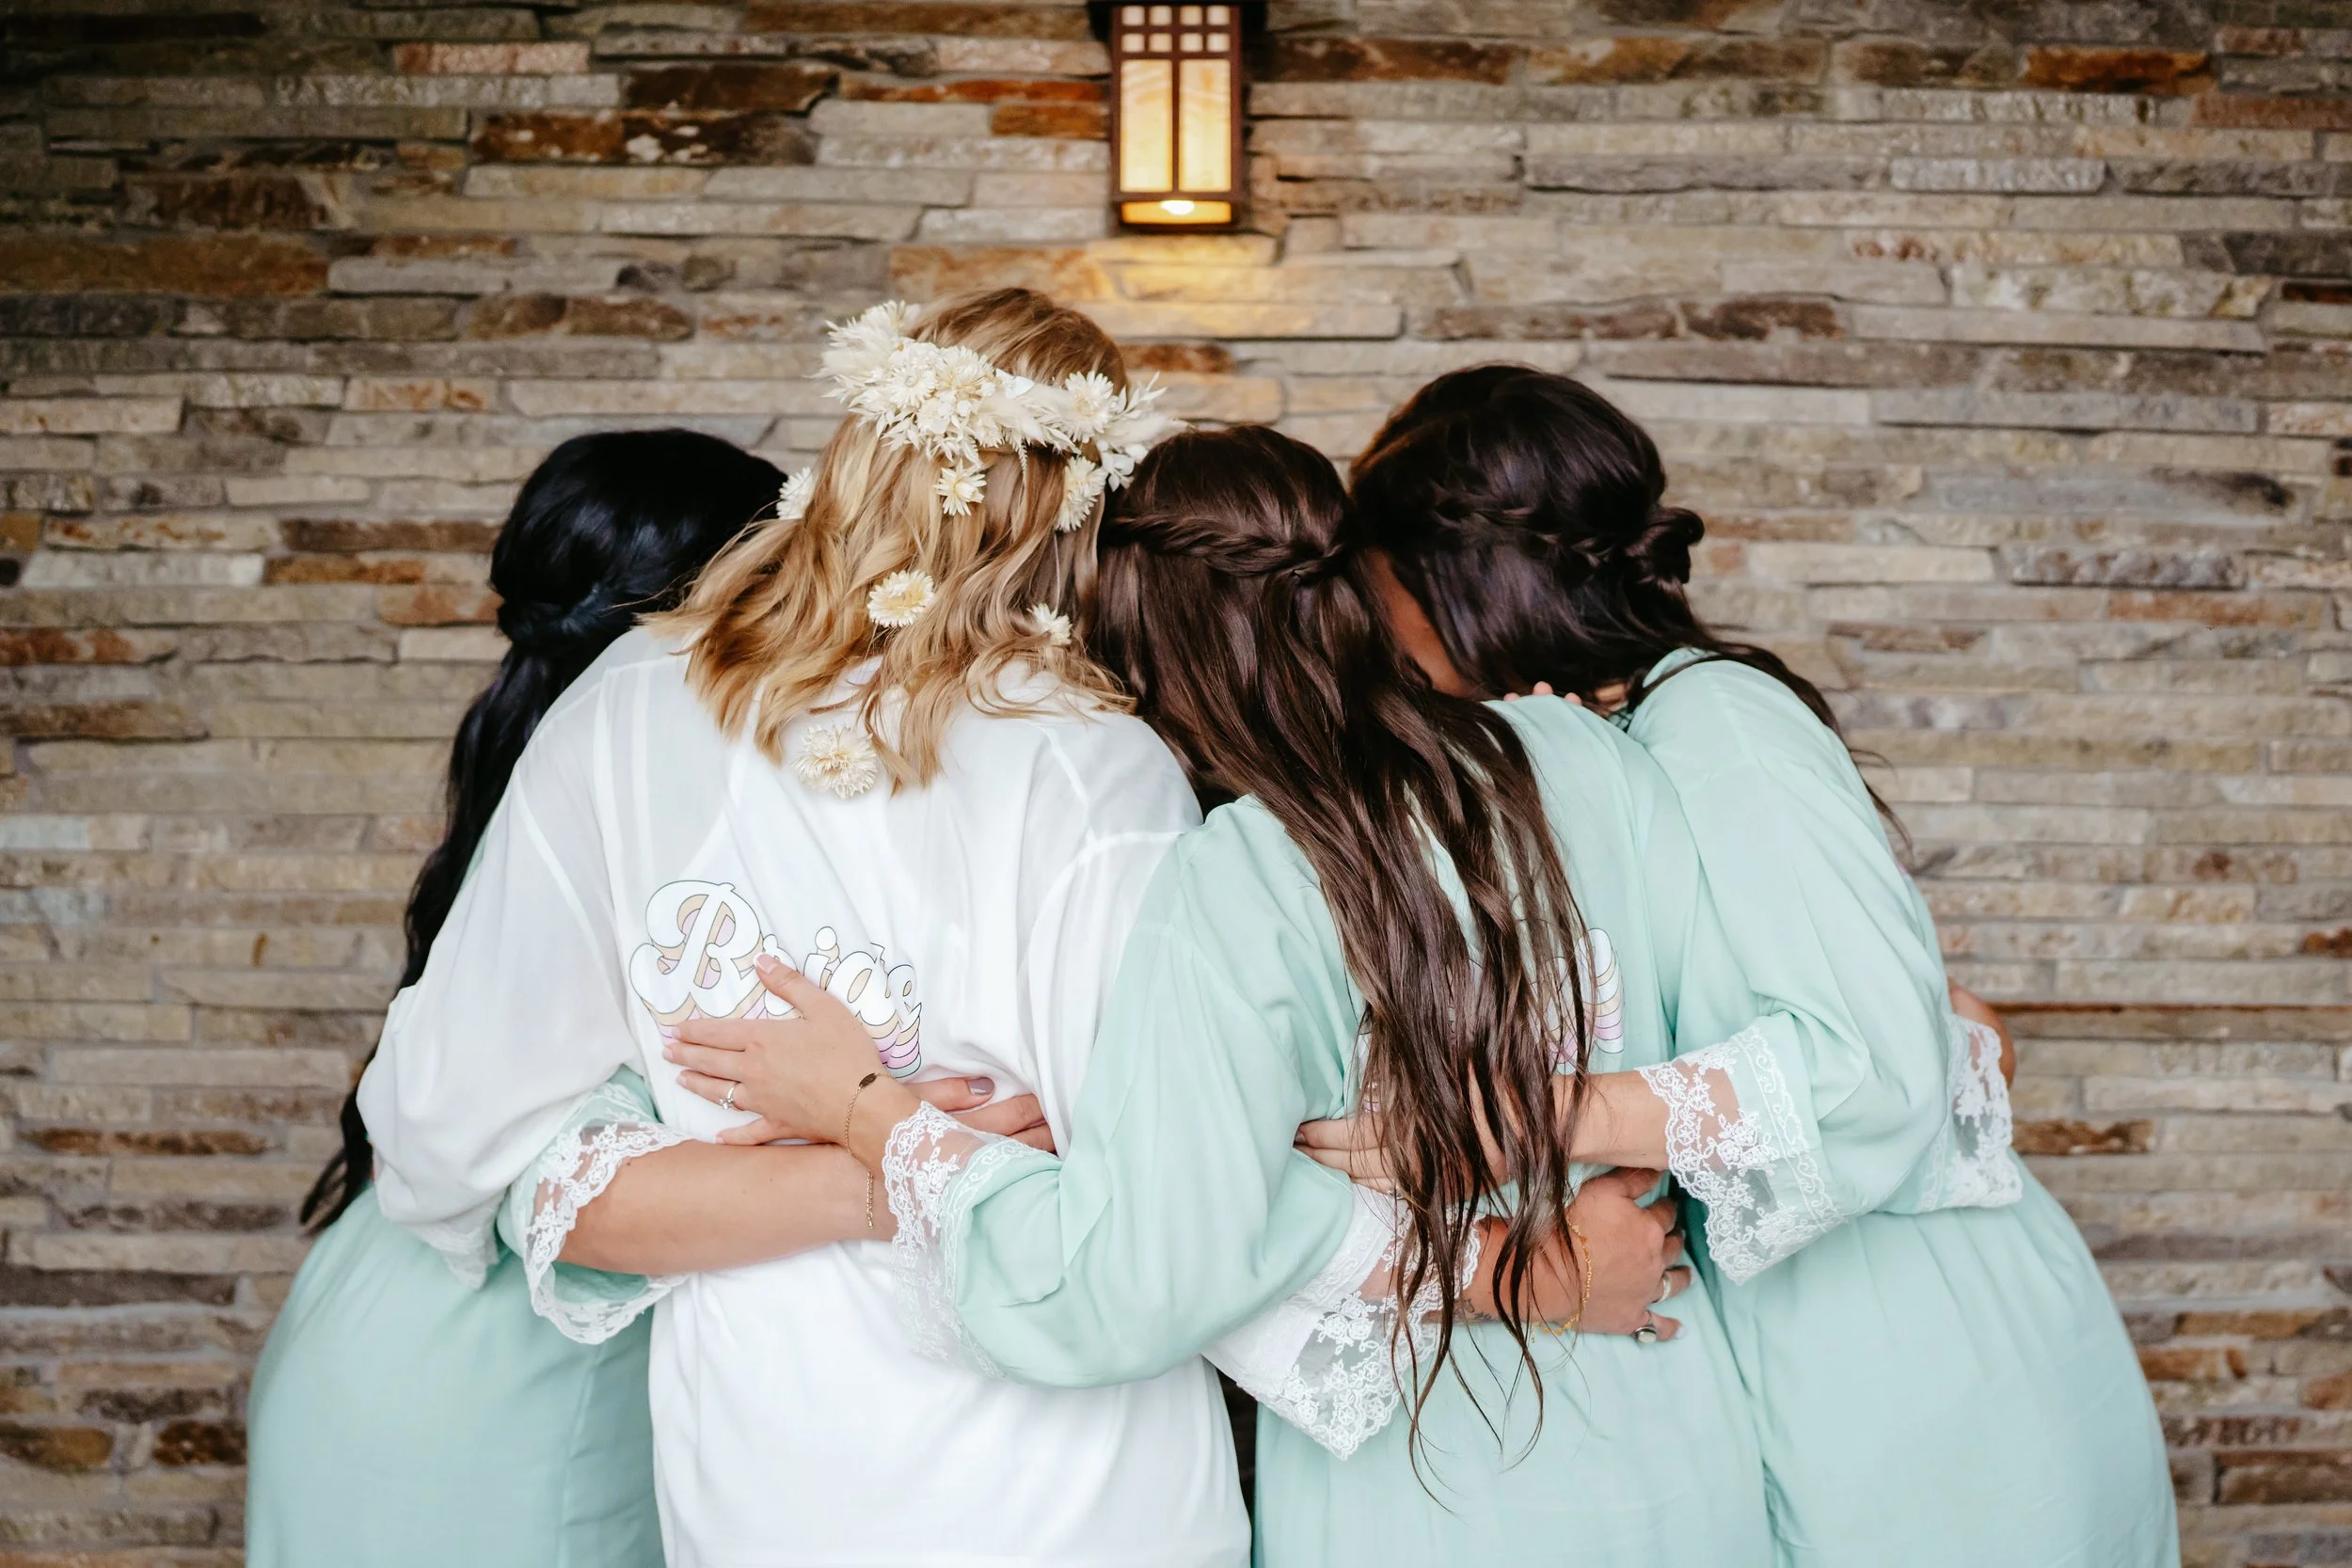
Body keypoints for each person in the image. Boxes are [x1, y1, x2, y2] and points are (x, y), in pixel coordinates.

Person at [660, 425, 1852, 1568]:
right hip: (1677, 1429)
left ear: (1133, 658)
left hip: (1427, 1480)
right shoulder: (1587, 755)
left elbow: (1132, 1280)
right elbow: (1762, 1051)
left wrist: (871, 1108)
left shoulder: (1238, 882)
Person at [356, 290, 1268, 1568]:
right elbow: (1160, 1229)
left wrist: (839, 1145)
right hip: (1072, 1493)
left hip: (770, 1482)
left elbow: (453, 1132)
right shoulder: (1098, 772)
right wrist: (886, 1154)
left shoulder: (626, 713)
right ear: (1082, 510)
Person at [1316, 365, 2176, 1568]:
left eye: (1380, 580)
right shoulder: (1595, 748)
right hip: (1798, 1354)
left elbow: (1870, 1064)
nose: (1372, 619)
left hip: (1913, 1350)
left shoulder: (1713, 720)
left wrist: (1530, 1118)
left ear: (1460, 579)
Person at [248, 428, 1048, 1567]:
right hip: (504, 1393)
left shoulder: (551, 784)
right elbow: (524, 1168)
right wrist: (912, 1162)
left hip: (361, 1328)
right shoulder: (644, 807)